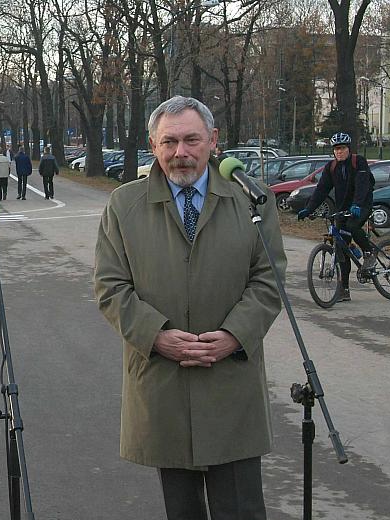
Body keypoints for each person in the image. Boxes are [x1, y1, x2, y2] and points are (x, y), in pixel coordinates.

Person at [93, 96, 285, 520]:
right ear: (153, 144)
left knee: (241, 510)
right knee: (181, 512)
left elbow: (270, 280)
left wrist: (234, 335)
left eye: (192, 140)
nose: (181, 153)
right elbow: (110, 286)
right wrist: (156, 336)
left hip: (230, 380)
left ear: (213, 140)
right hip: (164, 383)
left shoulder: (252, 201)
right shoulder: (125, 206)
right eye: (169, 142)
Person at [297, 131, 376, 302]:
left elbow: (363, 185)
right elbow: (321, 190)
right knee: (341, 249)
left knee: (354, 226)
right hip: (343, 208)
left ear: (348, 149)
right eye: (336, 149)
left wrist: (357, 204)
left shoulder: (358, 162)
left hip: (362, 204)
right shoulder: (331, 167)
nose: (339, 152)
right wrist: (309, 209)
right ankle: (344, 290)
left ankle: (369, 252)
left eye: (342, 148)